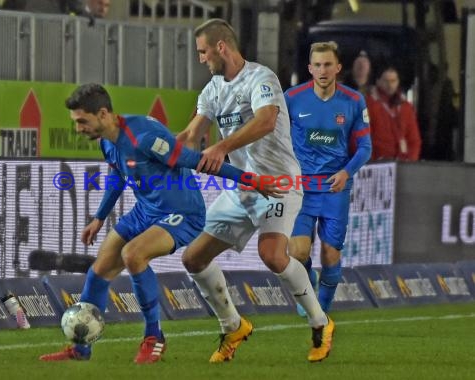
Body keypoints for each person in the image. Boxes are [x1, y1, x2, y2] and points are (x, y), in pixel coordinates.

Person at [39, 83, 282, 364]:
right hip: (146, 210)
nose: (78, 128)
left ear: (103, 113)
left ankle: (154, 337)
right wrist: (99, 217)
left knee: (133, 254)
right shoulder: (107, 140)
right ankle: (81, 348)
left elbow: (196, 160)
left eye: (82, 121)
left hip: (182, 212)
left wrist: (254, 181)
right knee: (99, 270)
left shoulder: (143, 136)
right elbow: (118, 175)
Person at [177, 18, 335, 364]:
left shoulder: (261, 78)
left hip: (279, 183)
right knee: (193, 258)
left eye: (203, 52)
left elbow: (265, 121)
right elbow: (191, 134)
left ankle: (320, 322)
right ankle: (232, 326)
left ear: (221, 47)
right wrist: (156, 150)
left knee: (273, 256)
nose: (201, 59)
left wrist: (222, 147)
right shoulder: (212, 90)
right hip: (244, 187)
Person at [284, 41, 372, 316]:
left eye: (328, 65)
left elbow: (366, 148)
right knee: (297, 252)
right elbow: (276, 139)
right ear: (310, 69)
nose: (323, 70)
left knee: (331, 254)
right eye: (318, 65)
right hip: (301, 188)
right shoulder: (291, 98)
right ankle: (308, 286)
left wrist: (346, 172)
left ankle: (322, 308)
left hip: (335, 188)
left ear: (338, 67)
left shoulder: (354, 101)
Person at [366, 65, 422, 161]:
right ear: (378, 82)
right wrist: (371, 163)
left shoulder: (406, 107)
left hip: (403, 164)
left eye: (393, 81)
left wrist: (411, 162)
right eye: (386, 81)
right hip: (377, 165)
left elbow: (414, 139)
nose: (390, 85)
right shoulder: (368, 105)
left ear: (398, 82)